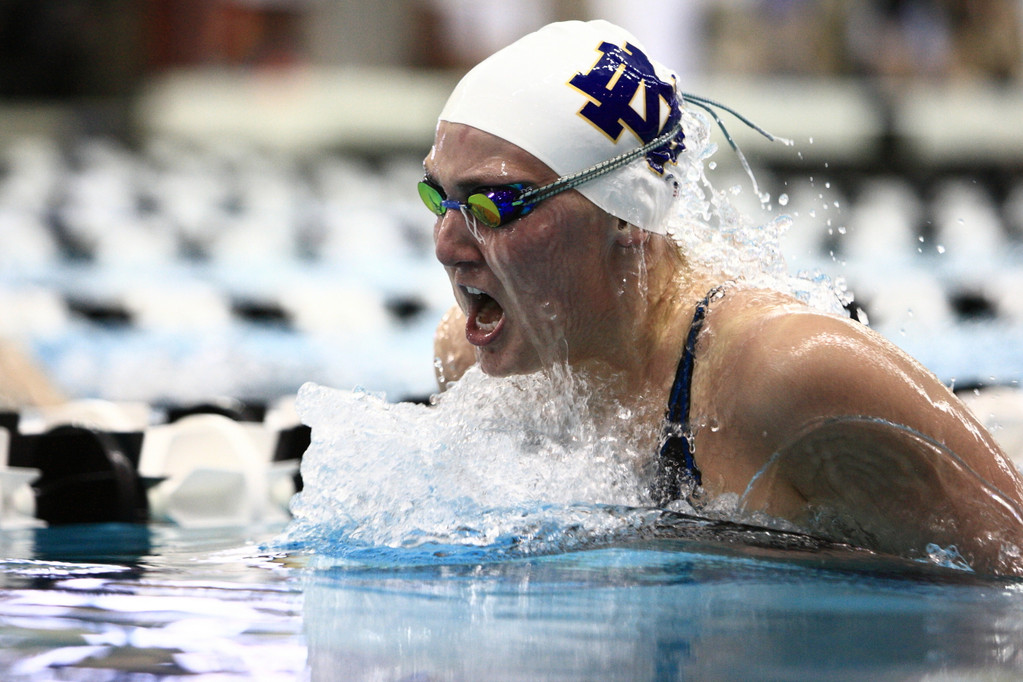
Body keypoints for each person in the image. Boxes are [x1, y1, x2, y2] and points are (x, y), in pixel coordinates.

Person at [419, 20, 1023, 574]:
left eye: (493, 205)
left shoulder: (787, 378)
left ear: (625, 214)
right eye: (437, 196)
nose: (446, 245)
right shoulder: (471, 360)